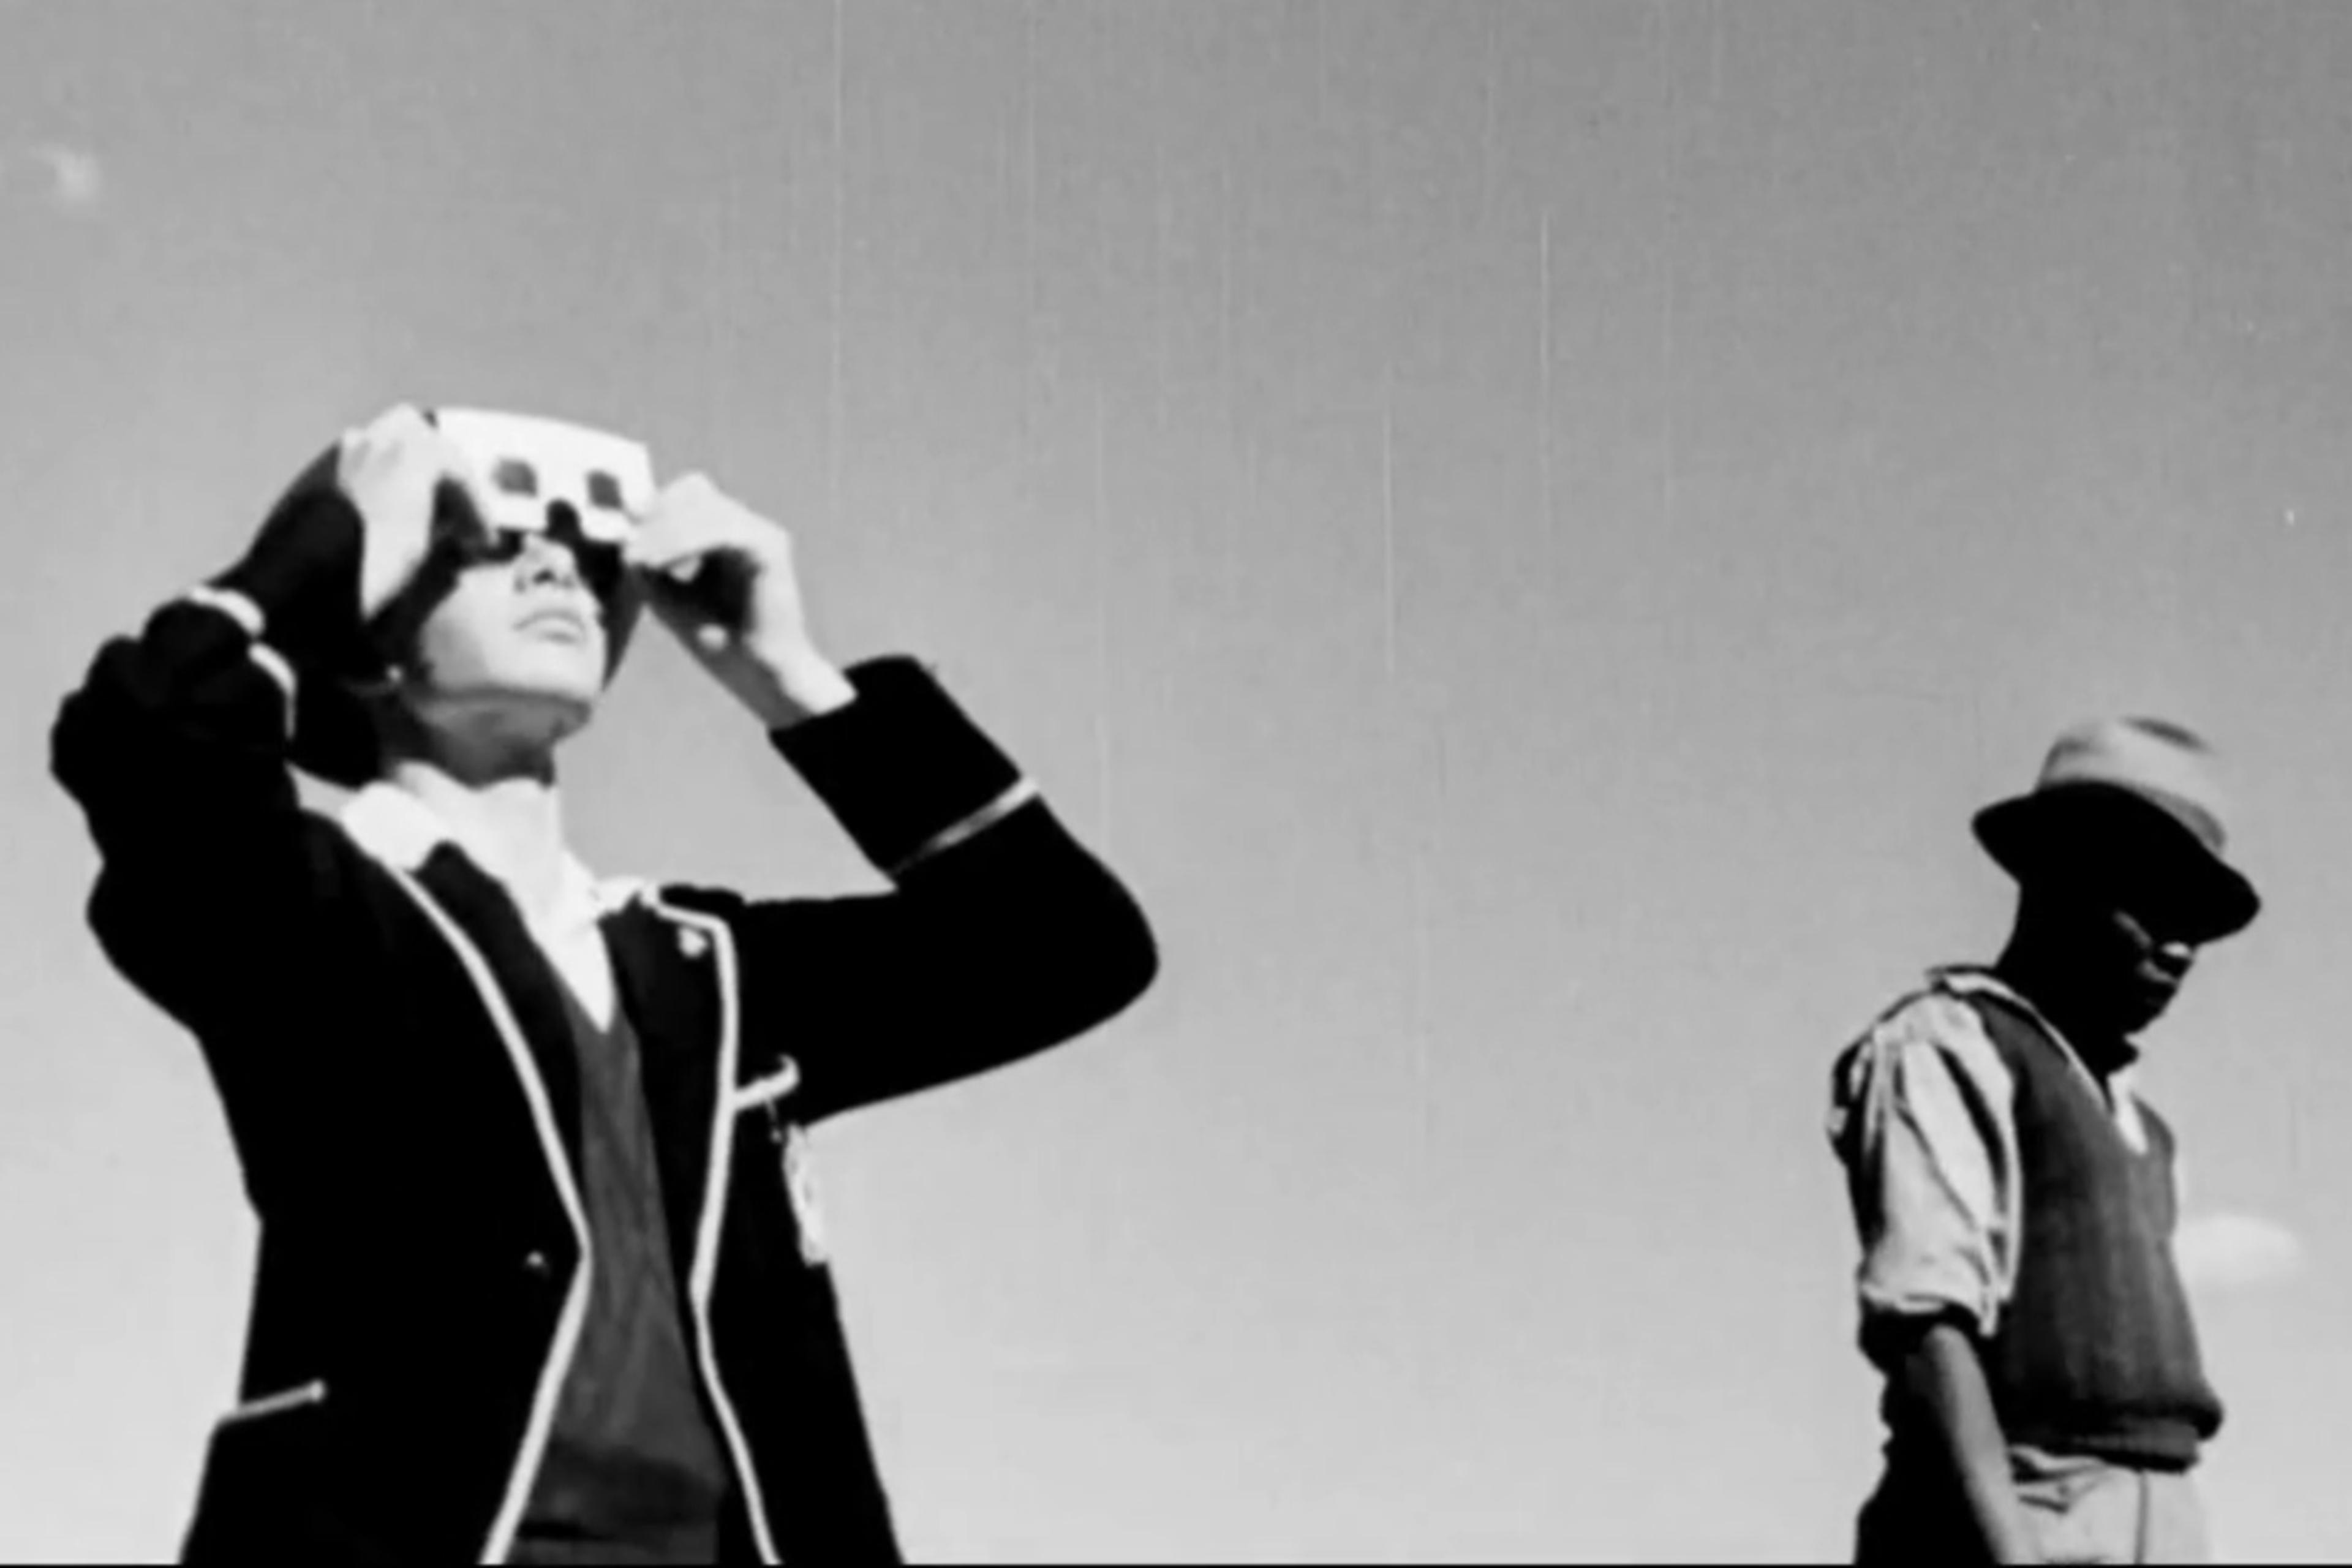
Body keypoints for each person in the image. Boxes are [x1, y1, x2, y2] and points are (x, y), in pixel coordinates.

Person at [50, 404, 1159, 1565]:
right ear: (362, 625)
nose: (555, 571)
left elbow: (1068, 949)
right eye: (480, 543)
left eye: (586, 557)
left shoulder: (705, 972)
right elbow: (143, 746)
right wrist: (326, 545)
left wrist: (789, 676)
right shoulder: (309, 918)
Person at [1826, 717, 2260, 1565]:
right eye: (2153, 899)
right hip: (2021, 1509)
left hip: (2160, 1515)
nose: (2179, 948)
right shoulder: (1951, 1044)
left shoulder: (2144, 1130)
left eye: (2197, 921)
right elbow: (1928, 1328)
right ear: (2061, 875)